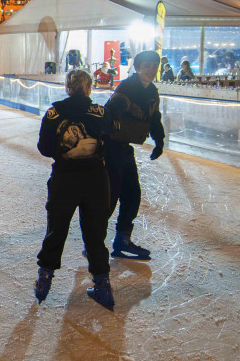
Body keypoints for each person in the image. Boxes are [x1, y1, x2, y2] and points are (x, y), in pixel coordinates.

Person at [33, 70, 115, 310]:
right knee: (95, 233)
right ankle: (103, 285)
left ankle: (44, 280)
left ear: (67, 87)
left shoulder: (53, 114)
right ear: (88, 88)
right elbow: (111, 137)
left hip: (65, 179)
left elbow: (45, 148)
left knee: (56, 229)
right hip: (96, 180)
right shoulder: (100, 112)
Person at [102, 50, 165, 260]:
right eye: (147, 65)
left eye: (154, 66)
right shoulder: (127, 87)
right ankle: (94, 240)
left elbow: (154, 117)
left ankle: (122, 239)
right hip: (111, 146)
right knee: (110, 195)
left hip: (124, 147)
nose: (151, 70)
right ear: (138, 67)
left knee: (132, 193)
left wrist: (159, 140)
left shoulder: (152, 91)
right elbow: (109, 113)